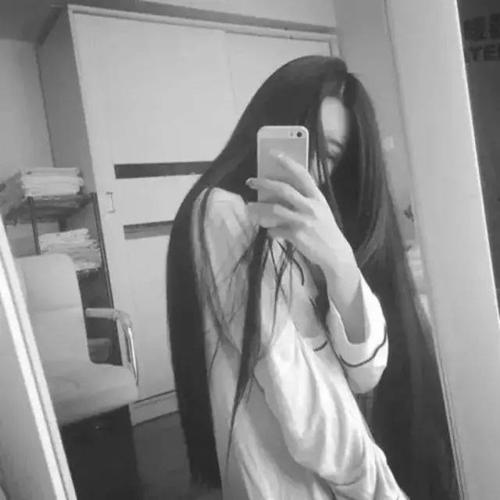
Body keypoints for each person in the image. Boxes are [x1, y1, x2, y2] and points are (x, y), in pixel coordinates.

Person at [167, 56, 458, 499]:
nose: (311, 166)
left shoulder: (307, 231)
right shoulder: (221, 212)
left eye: (331, 155)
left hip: (332, 473)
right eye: (304, 141)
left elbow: (366, 370)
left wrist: (340, 262)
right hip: (296, 479)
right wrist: (378, 486)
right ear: (263, 131)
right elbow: (295, 392)